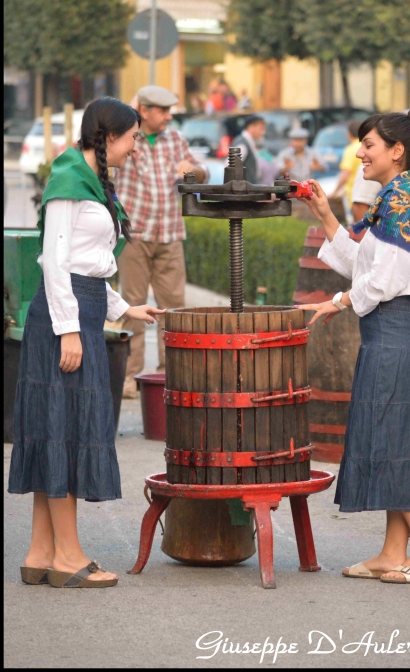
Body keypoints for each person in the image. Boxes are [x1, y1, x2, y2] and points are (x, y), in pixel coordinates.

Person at [8, 97, 165, 588]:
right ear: (109, 135)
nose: (136, 147)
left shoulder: (90, 180)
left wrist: (124, 309)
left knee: (58, 430)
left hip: (81, 305)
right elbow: (55, 263)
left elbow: (87, 261)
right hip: (63, 318)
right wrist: (70, 330)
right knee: (65, 432)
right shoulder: (68, 180)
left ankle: (41, 553)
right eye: (133, 137)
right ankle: (70, 557)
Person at [296, 107, 410, 584]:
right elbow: (363, 266)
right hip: (389, 334)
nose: (361, 152)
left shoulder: (403, 202)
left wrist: (337, 302)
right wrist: (326, 215)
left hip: (396, 335)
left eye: (369, 145)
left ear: (397, 151)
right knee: (391, 436)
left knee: (398, 438)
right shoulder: (395, 197)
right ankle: (392, 549)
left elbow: (379, 282)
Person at [114, 85, 209, 398]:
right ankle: (130, 376)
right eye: (163, 111)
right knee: (132, 307)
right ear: (144, 110)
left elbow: (204, 171)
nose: (169, 116)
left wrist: (192, 170)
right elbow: (87, 148)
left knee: (174, 309)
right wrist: (125, 113)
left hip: (169, 235)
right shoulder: (124, 134)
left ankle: (173, 376)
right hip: (135, 235)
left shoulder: (175, 139)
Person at [329, 120, 361, 226]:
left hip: (353, 195)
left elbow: (345, 175)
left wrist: (335, 192)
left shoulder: (350, 150)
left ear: (348, 134)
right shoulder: (367, 147)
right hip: (369, 195)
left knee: (355, 228)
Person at [231, 115, 266, 184]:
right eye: (261, 129)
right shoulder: (242, 144)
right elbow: (230, 167)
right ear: (251, 127)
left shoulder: (249, 142)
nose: (263, 132)